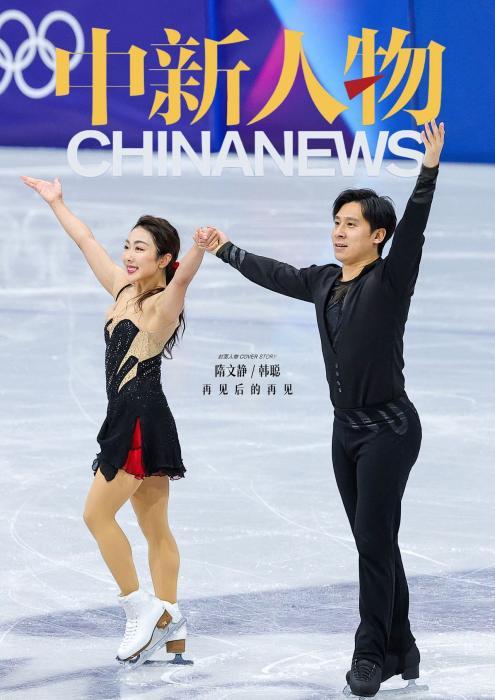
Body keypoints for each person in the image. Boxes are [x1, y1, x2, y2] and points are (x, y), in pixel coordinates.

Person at [197, 119, 445, 697]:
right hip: (345, 432)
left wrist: (428, 172)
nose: (338, 231)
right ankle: (402, 648)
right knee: (375, 543)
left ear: (377, 236)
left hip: (389, 431)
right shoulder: (324, 281)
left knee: (373, 544)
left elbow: (415, 228)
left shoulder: (391, 279)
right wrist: (226, 249)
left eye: (350, 224)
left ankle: (369, 656)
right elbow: (276, 274)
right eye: (336, 222)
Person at [20, 174, 218, 668]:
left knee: (96, 515)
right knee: (156, 529)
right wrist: (56, 202)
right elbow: (85, 239)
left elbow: (185, 279)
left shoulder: (163, 304)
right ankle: (172, 624)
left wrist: (198, 249)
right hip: (139, 416)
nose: (129, 255)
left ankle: (141, 608)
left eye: (140, 249)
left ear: (163, 259)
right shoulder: (122, 288)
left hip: (138, 420)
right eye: (128, 245)